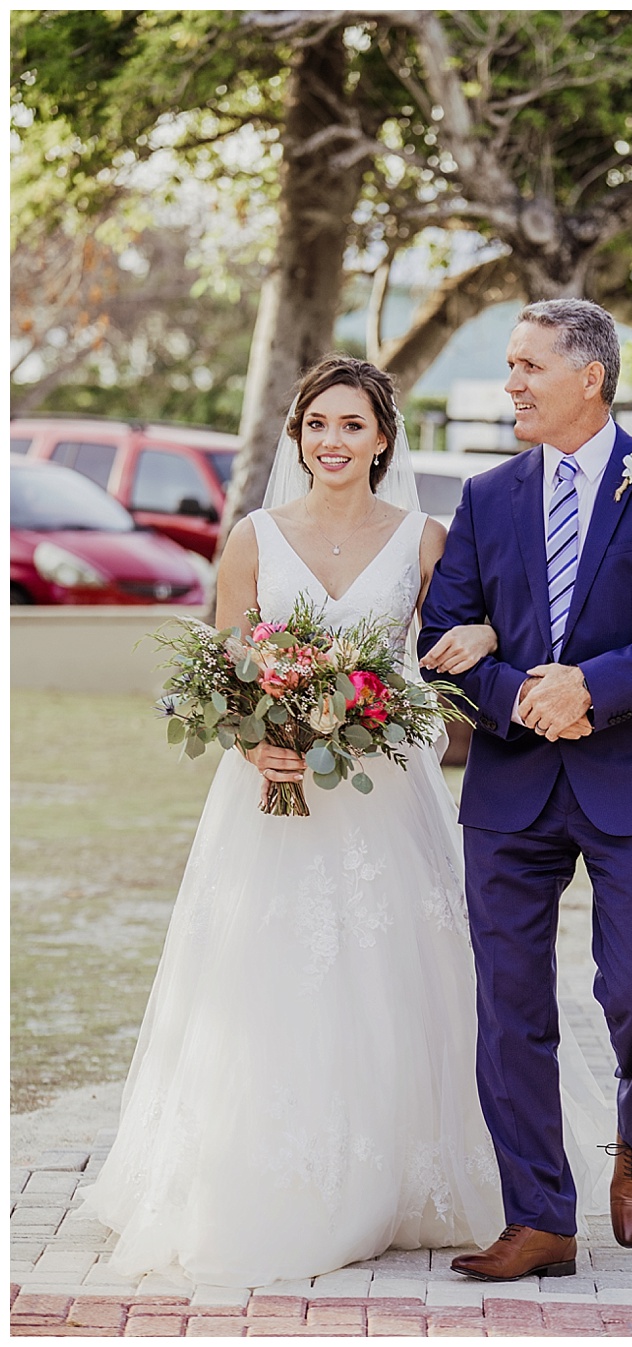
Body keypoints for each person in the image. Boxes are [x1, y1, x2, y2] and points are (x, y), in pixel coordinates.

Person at [81, 355, 508, 1286]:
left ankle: (400, 1172)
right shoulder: (254, 537)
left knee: (401, 973)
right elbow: (227, 667)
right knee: (268, 974)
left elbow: (453, 652)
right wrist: (251, 744)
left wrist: (466, 650)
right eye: (317, 424)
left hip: (386, 792)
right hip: (270, 796)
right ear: (297, 437)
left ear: (383, 437)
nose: (332, 441)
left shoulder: (426, 540)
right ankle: (265, 1172)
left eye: (352, 424)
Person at [419, 299, 632, 1280]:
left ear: (587, 377)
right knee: (510, 1005)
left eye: (527, 366)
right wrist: (522, 694)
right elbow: (446, 635)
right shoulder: (485, 497)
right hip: (512, 786)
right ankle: (541, 1218)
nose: (510, 382)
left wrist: (595, 686)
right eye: (510, 367)